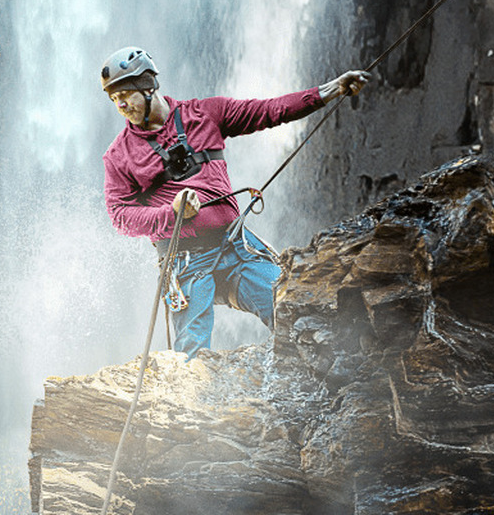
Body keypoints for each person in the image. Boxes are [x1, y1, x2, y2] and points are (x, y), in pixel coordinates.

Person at [100, 46, 371, 359]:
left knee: (293, 310)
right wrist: (171, 212)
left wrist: (330, 91)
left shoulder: (204, 114)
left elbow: (269, 111)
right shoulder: (119, 155)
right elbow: (119, 215)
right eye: (113, 99)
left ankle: (323, 388)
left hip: (235, 244)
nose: (120, 105)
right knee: (192, 359)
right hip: (184, 262)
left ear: (149, 87)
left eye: (125, 95)